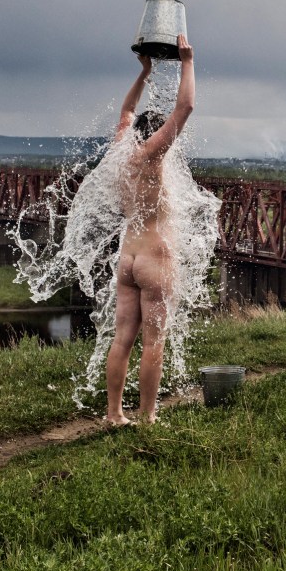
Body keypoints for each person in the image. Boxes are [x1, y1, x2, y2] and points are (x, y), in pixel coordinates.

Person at [104, 34, 195, 426]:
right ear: (157, 138)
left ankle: (113, 415)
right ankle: (146, 417)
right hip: (155, 260)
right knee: (153, 341)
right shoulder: (151, 156)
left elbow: (126, 110)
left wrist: (144, 73)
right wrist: (187, 61)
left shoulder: (123, 153)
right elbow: (186, 106)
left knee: (122, 338)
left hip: (127, 258)